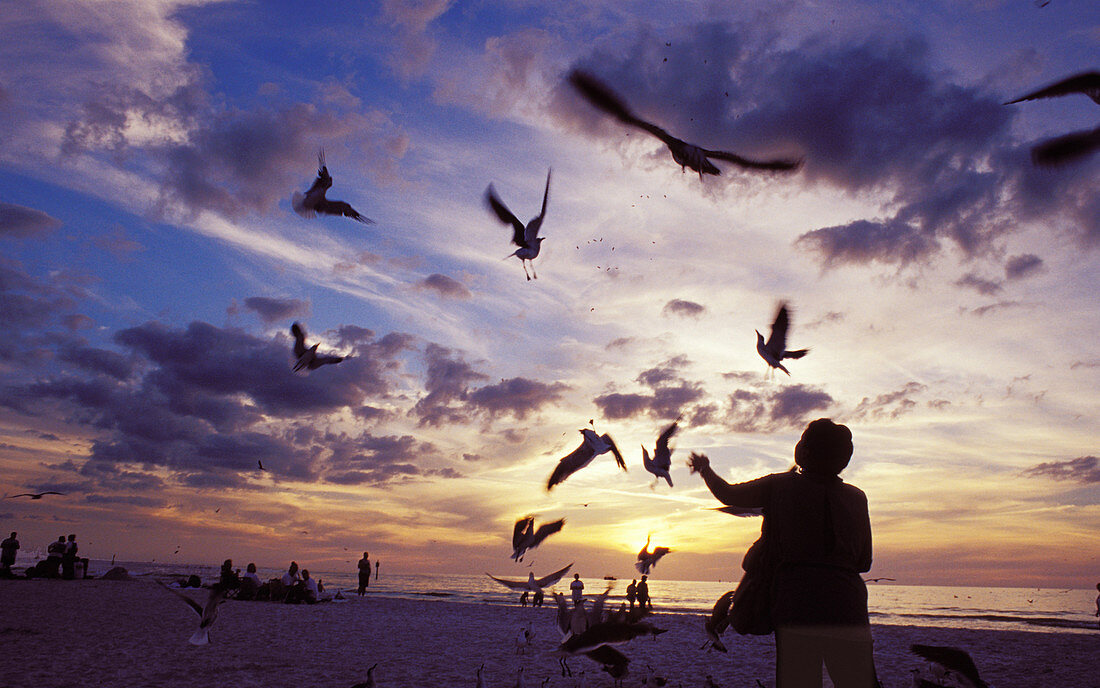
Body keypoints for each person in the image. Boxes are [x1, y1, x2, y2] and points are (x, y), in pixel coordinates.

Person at [691, 418, 875, 688]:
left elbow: (729, 495)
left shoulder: (780, 486)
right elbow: (864, 562)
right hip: (849, 604)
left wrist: (705, 469)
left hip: (796, 602)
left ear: (805, 452)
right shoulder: (857, 498)